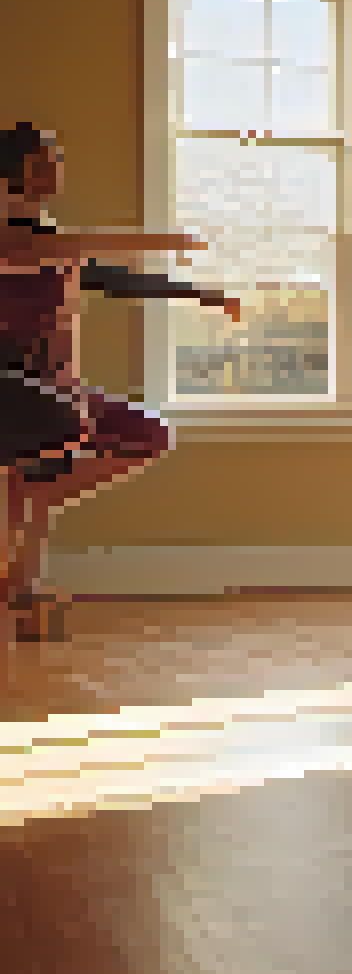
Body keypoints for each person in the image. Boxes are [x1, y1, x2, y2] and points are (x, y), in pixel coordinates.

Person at [0, 123, 217, 640]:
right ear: (23, 171)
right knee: (28, 472)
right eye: (46, 160)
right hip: (16, 391)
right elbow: (67, 248)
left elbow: (110, 277)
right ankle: (22, 586)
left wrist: (194, 293)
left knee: (144, 433)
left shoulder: (51, 240)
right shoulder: (11, 236)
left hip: (55, 392)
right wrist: (161, 241)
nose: (56, 169)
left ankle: (22, 584)